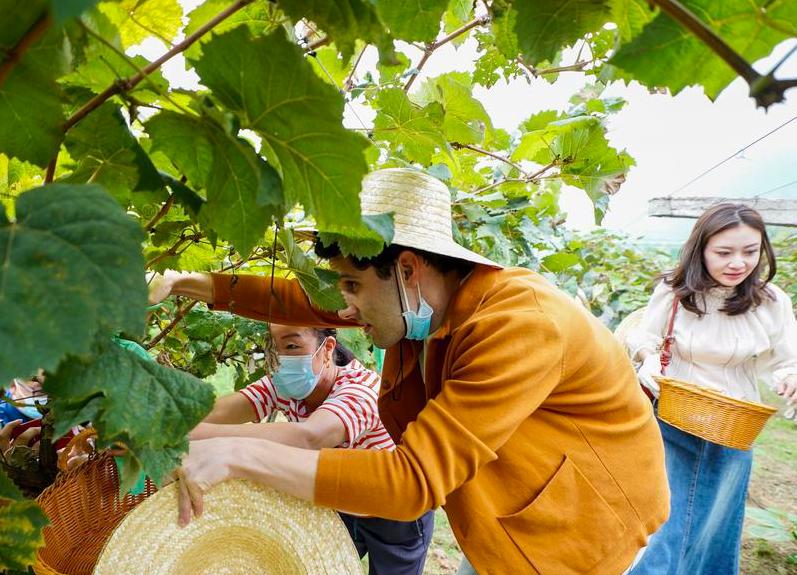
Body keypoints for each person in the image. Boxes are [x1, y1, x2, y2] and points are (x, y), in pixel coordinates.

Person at [152, 168, 670, 574]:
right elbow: (301, 298)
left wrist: (239, 451)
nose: (343, 308)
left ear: (405, 269)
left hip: (581, 535)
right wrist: (182, 281)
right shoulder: (410, 302)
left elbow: (411, 483)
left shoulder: (520, 325)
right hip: (507, 520)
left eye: (351, 286)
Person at [626, 203, 797, 575]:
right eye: (724, 252)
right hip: (672, 422)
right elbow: (646, 337)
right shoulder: (674, 292)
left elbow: (786, 360)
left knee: (716, 527)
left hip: (733, 429)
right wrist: (649, 358)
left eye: (750, 252)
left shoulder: (771, 302)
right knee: (662, 525)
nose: (738, 262)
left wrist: (791, 378)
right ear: (700, 249)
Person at [192, 324, 434, 575]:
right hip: (343, 498)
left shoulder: (360, 390)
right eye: (274, 347)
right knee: (319, 567)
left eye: (292, 346)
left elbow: (309, 436)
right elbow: (220, 412)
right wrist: (169, 424)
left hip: (393, 511)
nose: (281, 359)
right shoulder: (285, 385)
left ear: (327, 348)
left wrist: (202, 440)